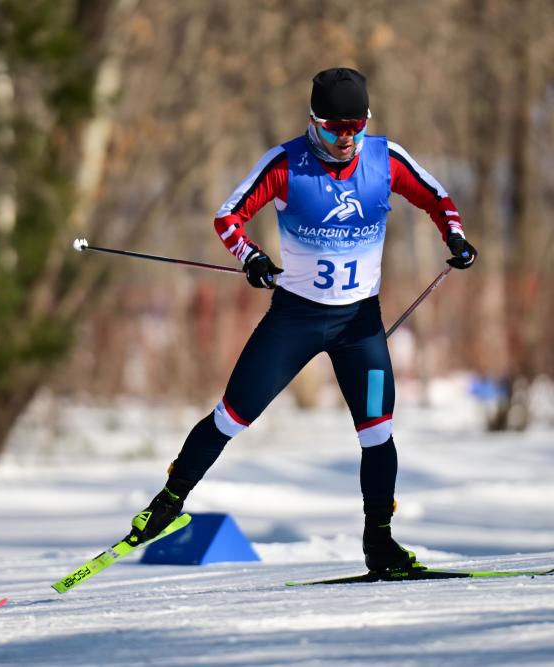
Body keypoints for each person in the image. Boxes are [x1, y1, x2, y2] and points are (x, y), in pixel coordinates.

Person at [128, 68, 477, 573]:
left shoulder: (385, 159)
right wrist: (251, 257)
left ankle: (380, 541)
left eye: (356, 125)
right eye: (335, 127)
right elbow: (227, 218)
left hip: (359, 324)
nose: (347, 138)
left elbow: (438, 199)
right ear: (313, 122)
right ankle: (167, 503)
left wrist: (457, 239)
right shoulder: (286, 164)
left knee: (378, 431)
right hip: (296, 319)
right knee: (231, 417)